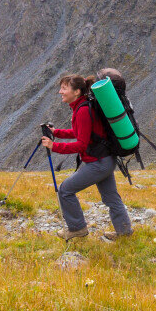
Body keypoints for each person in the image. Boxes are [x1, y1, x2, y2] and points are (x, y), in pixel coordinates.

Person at [43, 74, 132, 240]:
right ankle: (125, 232)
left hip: (99, 163)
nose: (60, 91)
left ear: (76, 91)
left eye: (64, 88)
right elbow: (82, 133)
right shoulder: (83, 106)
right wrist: (57, 133)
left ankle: (77, 228)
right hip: (105, 159)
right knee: (111, 198)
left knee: (65, 190)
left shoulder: (83, 110)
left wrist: (53, 146)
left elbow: (81, 144)